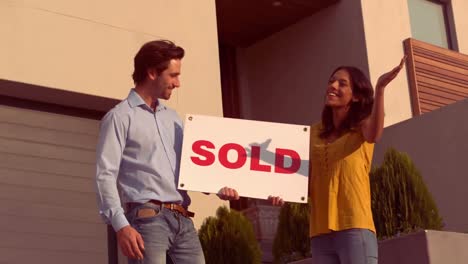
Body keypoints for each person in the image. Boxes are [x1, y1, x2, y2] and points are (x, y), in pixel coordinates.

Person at [95, 40, 239, 264]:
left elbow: (189, 168)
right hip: (148, 219)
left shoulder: (173, 119)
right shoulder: (120, 117)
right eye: (173, 75)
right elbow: (105, 175)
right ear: (152, 72)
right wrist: (121, 225)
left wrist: (217, 188)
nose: (178, 83)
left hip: (183, 219)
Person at [308, 57, 406, 264]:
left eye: (342, 83)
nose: (332, 86)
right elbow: (304, 179)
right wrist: (279, 193)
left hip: (354, 228)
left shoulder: (362, 127)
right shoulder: (313, 132)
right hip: (319, 232)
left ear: (355, 96)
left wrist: (380, 89)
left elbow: (374, 135)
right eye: (331, 81)